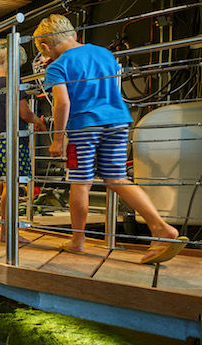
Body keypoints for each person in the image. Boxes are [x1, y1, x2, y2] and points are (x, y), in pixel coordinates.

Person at [34, 14, 187, 264]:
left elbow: (62, 103)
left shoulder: (57, 66)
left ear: (45, 47)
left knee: (80, 183)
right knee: (117, 178)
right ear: (73, 35)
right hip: (117, 120)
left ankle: (78, 241)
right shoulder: (105, 53)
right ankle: (161, 228)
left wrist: (58, 139)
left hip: (84, 126)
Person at [0, 39, 47, 243]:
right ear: (10, 61)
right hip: (13, 142)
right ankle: (9, 233)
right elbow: (24, 113)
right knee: (12, 185)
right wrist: (39, 122)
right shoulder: (12, 83)